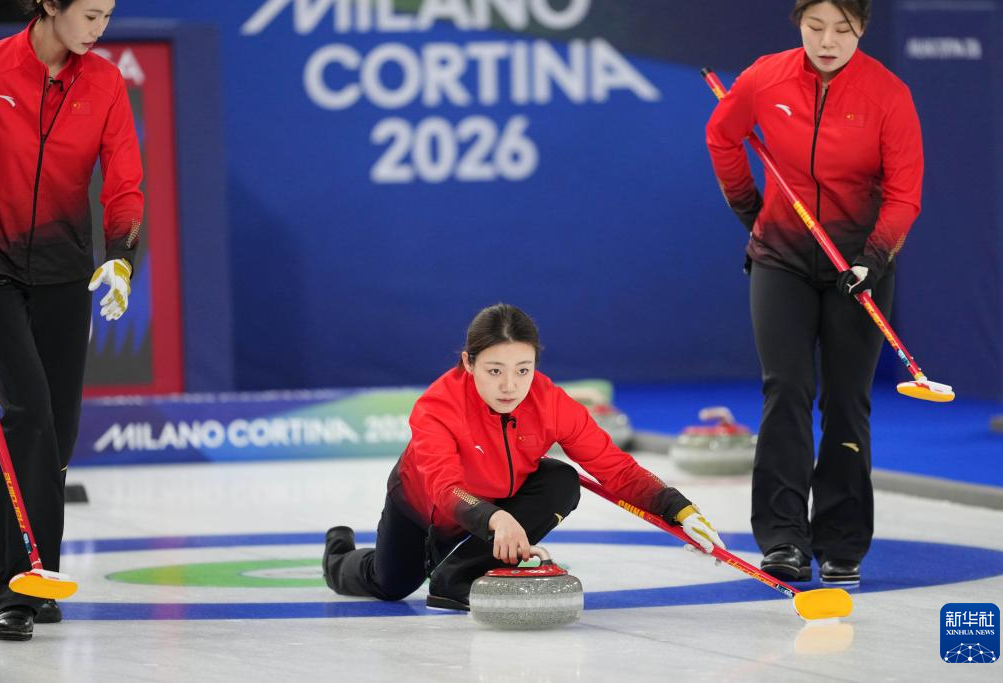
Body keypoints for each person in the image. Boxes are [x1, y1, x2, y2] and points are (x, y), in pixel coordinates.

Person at [705, 0, 922, 586]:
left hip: (859, 264)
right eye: (814, 26)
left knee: (847, 401)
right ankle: (783, 539)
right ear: (798, 23)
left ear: (863, 28)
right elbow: (721, 136)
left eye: (842, 29)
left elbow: (904, 194)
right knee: (787, 390)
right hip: (781, 259)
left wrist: (873, 257)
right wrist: (751, 211)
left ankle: (841, 542)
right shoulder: (765, 78)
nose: (827, 41)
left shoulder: (889, 95)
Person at [323, 304, 724, 609]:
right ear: (468, 363)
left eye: (523, 369)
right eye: (495, 371)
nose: (510, 386)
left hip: (497, 505)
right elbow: (445, 490)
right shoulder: (437, 408)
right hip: (425, 510)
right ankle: (337, 551)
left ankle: (457, 579)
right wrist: (495, 518)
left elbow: (616, 468)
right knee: (390, 584)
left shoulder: (550, 403)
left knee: (562, 480)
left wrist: (679, 510)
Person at [0, 0, 142, 641]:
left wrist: (121, 258)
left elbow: (124, 180)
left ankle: (40, 575)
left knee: (56, 429)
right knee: (26, 411)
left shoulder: (104, 82)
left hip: (64, 271)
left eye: (107, 15)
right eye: (90, 14)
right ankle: (14, 588)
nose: (100, 29)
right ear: (50, 5)